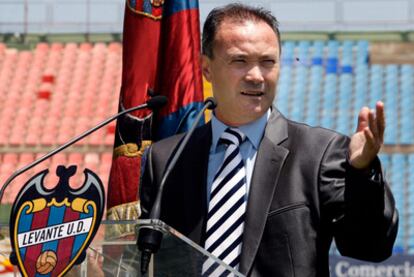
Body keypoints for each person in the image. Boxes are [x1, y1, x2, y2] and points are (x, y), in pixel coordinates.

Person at [140, 3, 398, 276]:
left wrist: (361, 172)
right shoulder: (165, 160)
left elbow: (370, 247)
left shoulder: (319, 152)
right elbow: (145, 260)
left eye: (268, 62)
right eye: (240, 61)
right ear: (206, 69)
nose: (256, 76)